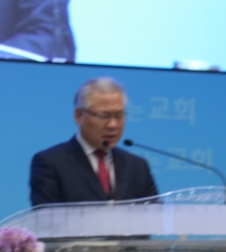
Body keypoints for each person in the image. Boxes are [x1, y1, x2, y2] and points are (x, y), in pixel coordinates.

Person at [30, 78, 159, 205]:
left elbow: (156, 214)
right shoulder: (50, 163)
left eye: (119, 115)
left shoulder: (137, 167)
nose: (113, 125)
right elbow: (46, 216)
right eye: (104, 116)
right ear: (79, 115)